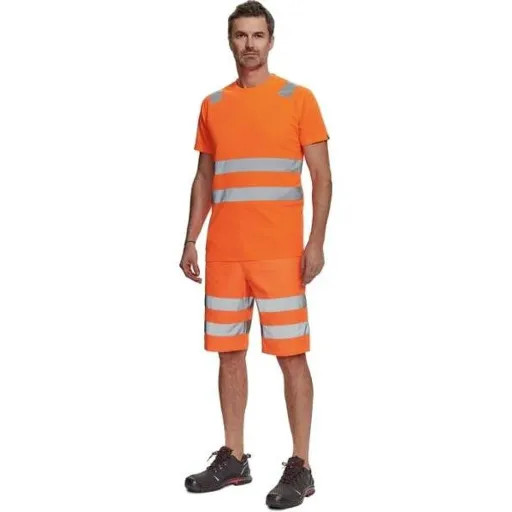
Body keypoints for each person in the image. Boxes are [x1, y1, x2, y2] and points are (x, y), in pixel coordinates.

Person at [179, 1, 332, 508]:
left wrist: (316, 241)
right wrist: (190, 239)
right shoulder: (213, 104)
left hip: (281, 256)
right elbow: (204, 176)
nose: (249, 44)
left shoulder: (299, 99)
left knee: (291, 357)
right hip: (225, 255)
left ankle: (301, 465)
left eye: (258, 35)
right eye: (241, 35)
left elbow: (322, 176)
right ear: (230, 41)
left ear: (271, 41)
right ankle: (234, 458)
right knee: (229, 356)